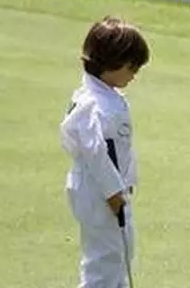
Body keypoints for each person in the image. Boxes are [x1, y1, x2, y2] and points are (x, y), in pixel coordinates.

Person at [60, 16, 151, 287]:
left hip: (108, 190)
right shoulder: (94, 105)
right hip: (100, 192)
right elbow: (95, 152)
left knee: (120, 253)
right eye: (131, 67)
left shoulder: (105, 96)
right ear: (111, 63)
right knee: (105, 260)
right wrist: (113, 192)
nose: (134, 75)